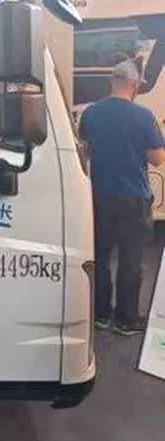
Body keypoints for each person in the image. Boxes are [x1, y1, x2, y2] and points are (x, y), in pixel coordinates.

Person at [78, 59, 165, 336]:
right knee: (130, 258)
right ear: (135, 84)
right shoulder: (144, 116)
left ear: (112, 81)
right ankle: (127, 319)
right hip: (133, 199)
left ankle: (100, 313)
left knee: (100, 256)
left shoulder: (91, 113)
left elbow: (85, 151)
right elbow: (157, 158)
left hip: (99, 196)